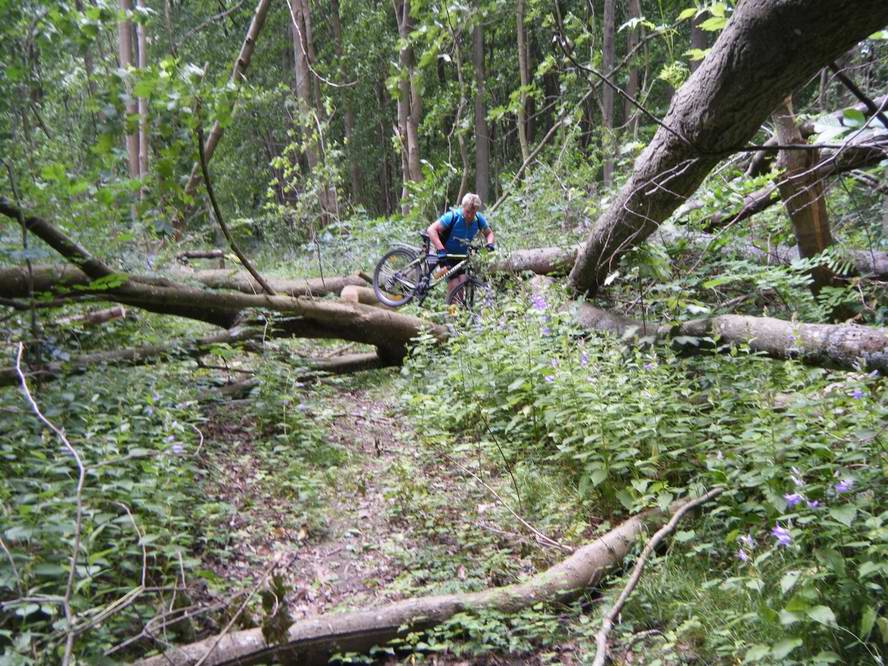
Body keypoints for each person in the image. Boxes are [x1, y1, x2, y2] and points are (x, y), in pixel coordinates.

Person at [426, 192, 495, 293]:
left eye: (473, 213)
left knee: (462, 282)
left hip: (461, 256)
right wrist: (441, 250)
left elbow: (489, 234)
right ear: (463, 207)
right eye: (467, 212)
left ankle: (458, 307)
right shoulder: (452, 217)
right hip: (446, 254)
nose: (470, 215)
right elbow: (431, 230)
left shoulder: (479, 219)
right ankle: (451, 307)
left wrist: (490, 244)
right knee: (454, 284)